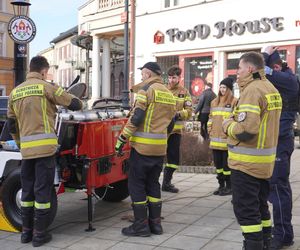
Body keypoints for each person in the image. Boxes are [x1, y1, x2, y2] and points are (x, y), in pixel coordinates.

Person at [7, 56, 82, 247]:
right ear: (42, 71)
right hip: (45, 150)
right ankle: (40, 235)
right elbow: (73, 104)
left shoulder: (15, 92)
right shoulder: (46, 87)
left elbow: (12, 125)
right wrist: (76, 99)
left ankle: (26, 233)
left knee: (27, 190)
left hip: (26, 151)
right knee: (43, 191)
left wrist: (21, 144)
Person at [222, 52, 282, 250]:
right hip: (264, 164)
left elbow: (246, 130)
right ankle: (265, 244)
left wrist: (227, 125)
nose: (236, 73)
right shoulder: (271, 88)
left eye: (238, 68)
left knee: (247, 211)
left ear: (249, 69)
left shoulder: (252, 90)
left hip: (246, 163)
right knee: (261, 207)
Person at [115, 62, 176, 237]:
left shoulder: (145, 91)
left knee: (136, 185)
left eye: (142, 74)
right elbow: (170, 124)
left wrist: (121, 139)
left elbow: (136, 118)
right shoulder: (168, 94)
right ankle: (156, 225)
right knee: (153, 184)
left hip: (142, 148)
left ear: (148, 74)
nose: (141, 77)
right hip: (159, 149)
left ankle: (140, 226)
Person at [263, 46, 299, 250]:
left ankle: (283, 234)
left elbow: (256, 69)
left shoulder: (287, 80)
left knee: (278, 188)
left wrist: (264, 54)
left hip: (280, 140)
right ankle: (283, 233)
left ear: (275, 66)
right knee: (275, 187)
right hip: (274, 140)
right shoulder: (281, 79)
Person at [162, 65, 192, 193]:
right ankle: (152, 183)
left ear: (179, 78)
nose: (171, 80)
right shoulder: (162, 90)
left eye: (174, 78)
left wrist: (179, 114)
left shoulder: (184, 92)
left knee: (173, 159)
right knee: (157, 157)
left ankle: (166, 183)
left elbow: (190, 111)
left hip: (175, 131)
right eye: (169, 77)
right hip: (162, 130)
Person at [207, 77, 237, 196]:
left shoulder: (235, 101)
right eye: (221, 87)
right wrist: (210, 130)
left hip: (226, 141)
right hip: (215, 141)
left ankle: (229, 187)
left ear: (229, 89)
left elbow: (235, 119)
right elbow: (210, 118)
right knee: (218, 166)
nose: (222, 89)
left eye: (224, 87)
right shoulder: (214, 102)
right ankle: (221, 186)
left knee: (226, 166)